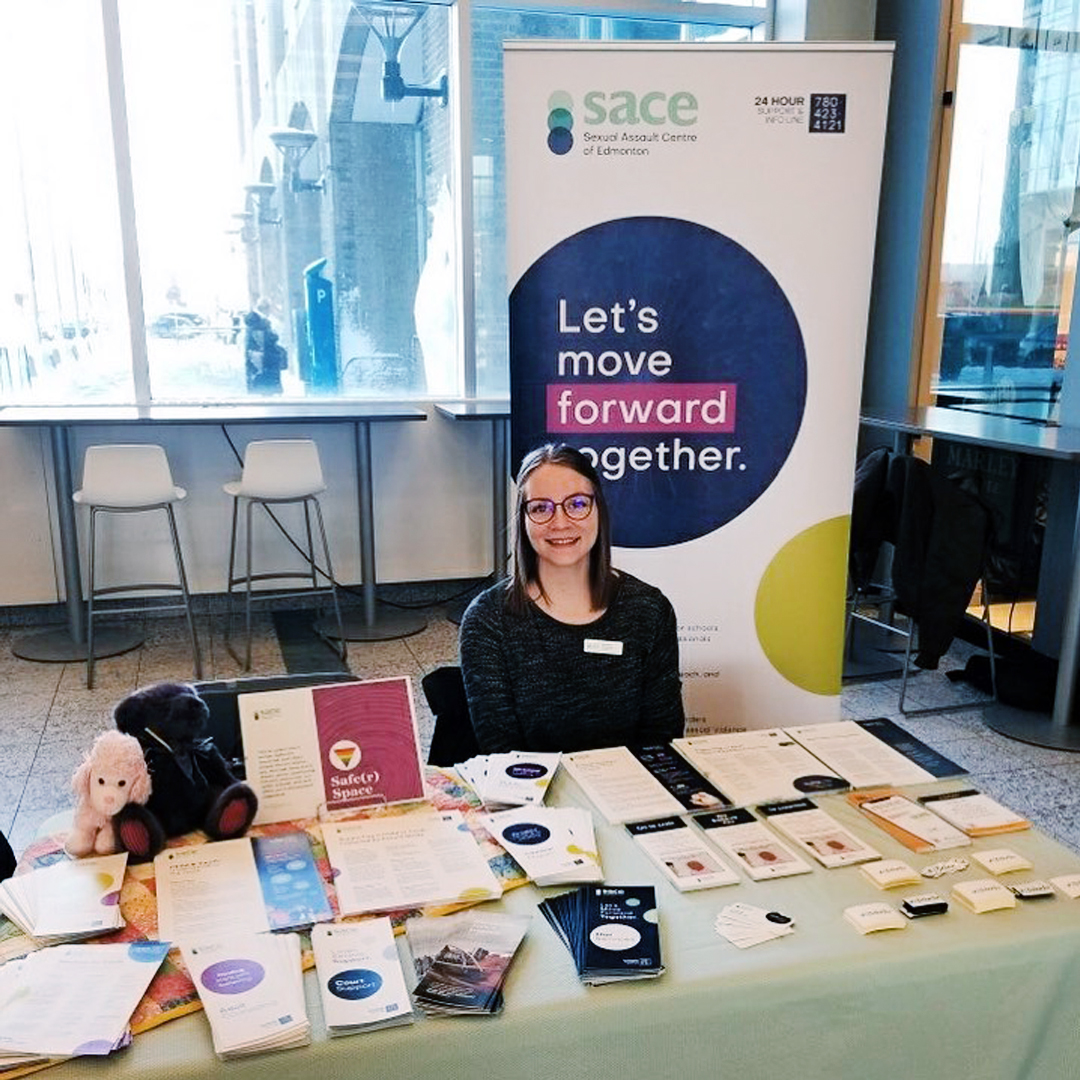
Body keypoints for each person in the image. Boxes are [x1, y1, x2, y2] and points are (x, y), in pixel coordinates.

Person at [459, 443, 685, 754]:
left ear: (598, 510)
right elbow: (501, 751)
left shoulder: (649, 610)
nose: (560, 522)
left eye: (577, 504)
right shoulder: (488, 620)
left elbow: (661, 738)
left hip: (629, 793)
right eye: (541, 508)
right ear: (523, 519)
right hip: (531, 795)